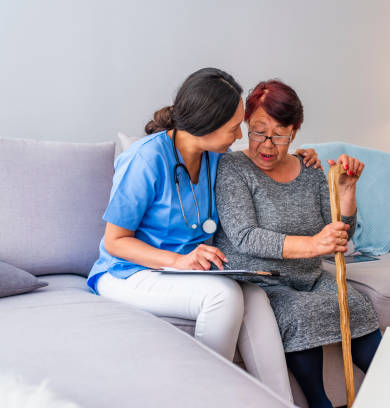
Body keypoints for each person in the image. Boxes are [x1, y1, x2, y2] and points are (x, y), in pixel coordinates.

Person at [86, 67, 320, 390]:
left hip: (189, 271)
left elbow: (265, 163)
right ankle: (206, 397)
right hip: (128, 271)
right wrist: (178, 261)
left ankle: (280, 401)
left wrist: (302, 158)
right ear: (206, 126)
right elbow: (115, 241)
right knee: (223, 297)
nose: (239, 136)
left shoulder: (214, 159)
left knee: (254, 295)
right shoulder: (145, 159)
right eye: (234, 127)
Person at [214, 79, 381, 408]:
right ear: (247, 125)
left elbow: (338, 233)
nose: (267, 144)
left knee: (356, 303)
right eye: (258, 131)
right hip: (261, 279)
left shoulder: (310, 169)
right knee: (301, 312)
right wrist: (314, 244)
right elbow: (245, 235)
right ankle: (321, 404)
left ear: (295, 132)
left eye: (279, 135)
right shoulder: (232, 168)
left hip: (308, 275)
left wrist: (347, 192)